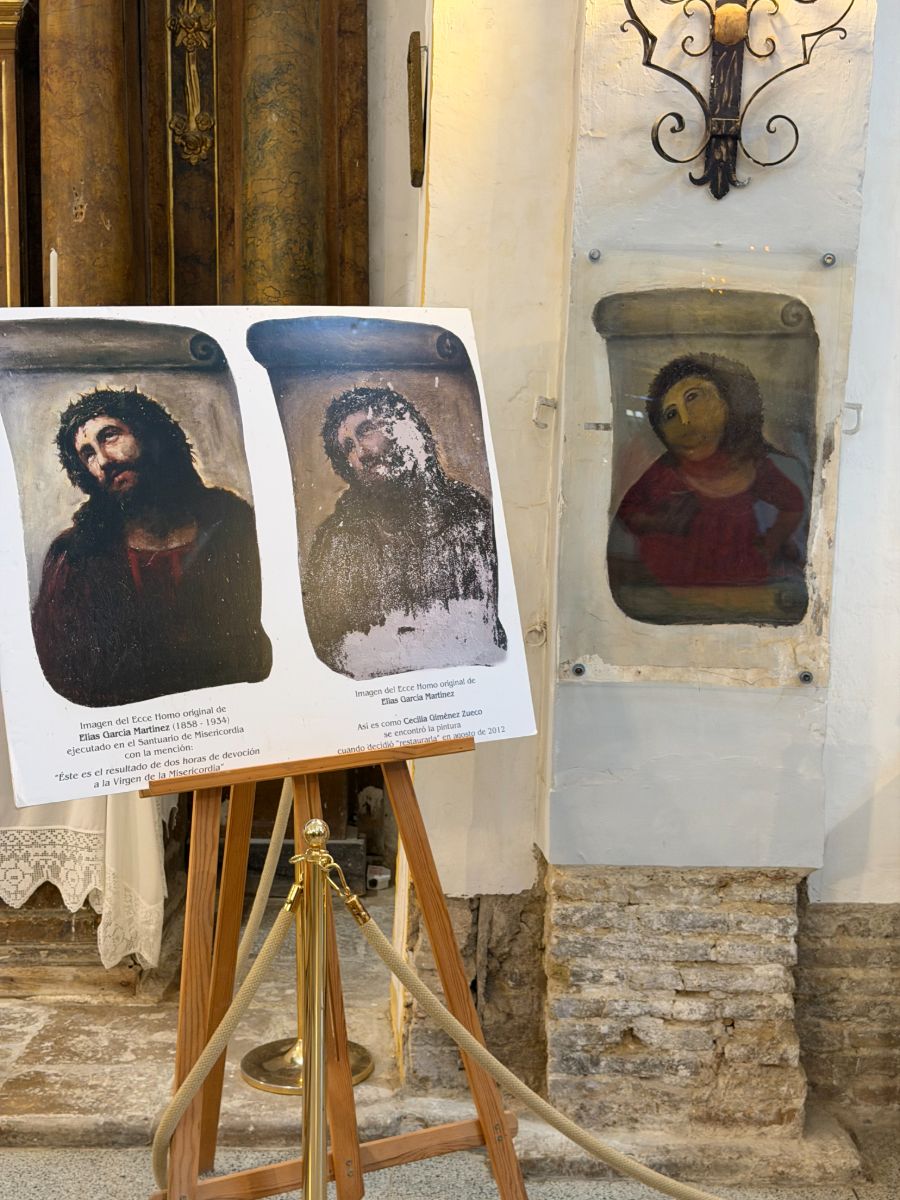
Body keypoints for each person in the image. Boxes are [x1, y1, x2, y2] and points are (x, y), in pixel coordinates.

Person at [32, 388, 272, 707]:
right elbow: (66, 673)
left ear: (148, 434)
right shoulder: (74, 555)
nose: (103, 461)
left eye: (110, 436)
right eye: (88, 454)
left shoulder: (231, 521)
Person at [302, 385, 507, 679]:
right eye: (347, 447)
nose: (360, 453)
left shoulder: (472, 514)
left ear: (402, 428)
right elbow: (330, 646)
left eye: (365, 432)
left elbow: (494, 627)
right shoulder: (337, 539)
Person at [607, 354, 809, 622]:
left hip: (746, 591)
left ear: (729, 399)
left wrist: (772, 541)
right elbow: (627, 517)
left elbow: (793, 503)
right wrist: (660, 523)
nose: (685, 421)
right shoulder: (664, 474)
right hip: (673, 598)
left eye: (693, 397)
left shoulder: (756, 466)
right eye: (670, 414)